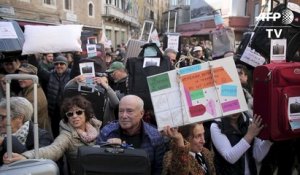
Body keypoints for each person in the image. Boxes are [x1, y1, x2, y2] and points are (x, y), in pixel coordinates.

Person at [3, 95, 102, 175]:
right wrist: (26, 157)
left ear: (86, 114)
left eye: (79, 112)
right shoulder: (67, 135)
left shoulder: (96, 126)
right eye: (70, 114)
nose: (75, 116)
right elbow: (53, 150)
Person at [96, 95, 166, 175]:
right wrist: (109, 149)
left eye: (129, 111)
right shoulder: (107, 132)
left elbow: (159, 169)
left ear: (141, 113)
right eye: (121, 111)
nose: (124, 116)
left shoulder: (155, 136)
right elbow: (97, 165)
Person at [0, 97, 53, 165]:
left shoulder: (42, 136)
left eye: (3, 117)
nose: (0, 122)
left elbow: (35, 163)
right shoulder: (2, 132)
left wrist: (5, 141)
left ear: (20, 118)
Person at [18, 63, 52, 136]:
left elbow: (23, 118)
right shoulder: (29, 89)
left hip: (39, 135)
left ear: (33, 78)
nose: (20, 79)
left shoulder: (34, 96)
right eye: (19, 76)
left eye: (24, 77)